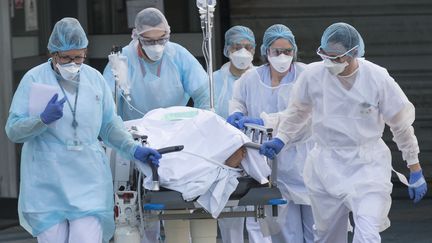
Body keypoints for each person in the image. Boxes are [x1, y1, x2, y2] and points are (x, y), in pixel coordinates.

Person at [260, 22, 428, 243]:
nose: (330, 62)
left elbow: (401, 124)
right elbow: (298, 113)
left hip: (367, 166)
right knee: (327, 237)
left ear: (354, 53)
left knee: (367, 234)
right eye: (326, 56)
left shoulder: (377, 78)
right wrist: (282, 139)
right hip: (326, 166)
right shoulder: (313, 75)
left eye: (337, 58)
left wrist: (414, 166)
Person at [5, 17, 162, 243]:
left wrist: (133, 149)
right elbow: (13, 130)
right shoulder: (34, 79)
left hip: (87, 179)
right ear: (53, 54)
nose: (73, 63)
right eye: (66, 58)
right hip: (47, 180)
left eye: (78, 57)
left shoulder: (94, 80)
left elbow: (109, 125)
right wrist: (41, 120)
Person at [226, 24, 315, 243]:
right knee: (285, 234)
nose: (283, 56)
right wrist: (237, 114)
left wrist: (265, 121)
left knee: (317, 232)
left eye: (288, 51)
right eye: (277, 51)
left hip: (307, 163)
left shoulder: (307, 76)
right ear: (266, 51)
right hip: (271, 168)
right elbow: (238, 101)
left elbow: (305, 116)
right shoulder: (250, 79)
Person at [103, 7, 209, 121]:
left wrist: (200, 125)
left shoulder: (178, 55)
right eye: (149, 41)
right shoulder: (122, 60)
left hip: (175, 130)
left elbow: (204, 94)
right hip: (135, 132)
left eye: (161, 39)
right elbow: (108, 103)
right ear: (137, 38)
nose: (156, 46)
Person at [212, 25, 262, 243]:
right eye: (236, 46)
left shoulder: (262, 78)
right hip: (223, 155)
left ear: (255, 50)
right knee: (229, 212)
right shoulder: (213, 81)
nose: (242, 52)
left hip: (256, 151)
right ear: (226, 50)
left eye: (247, 47)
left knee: (259, 215)